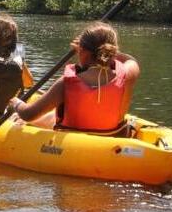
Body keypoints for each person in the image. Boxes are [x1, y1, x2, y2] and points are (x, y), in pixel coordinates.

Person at [7, 22, 140, 133]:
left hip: (72, 142)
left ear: (81, 50)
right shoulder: (128, 74)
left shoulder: (65, 83)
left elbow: (29, 114)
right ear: (113, 51)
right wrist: (106, 52)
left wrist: (16, 103)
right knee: (51, 115)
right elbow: (131, 60)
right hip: (112, 137)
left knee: (19, 116)